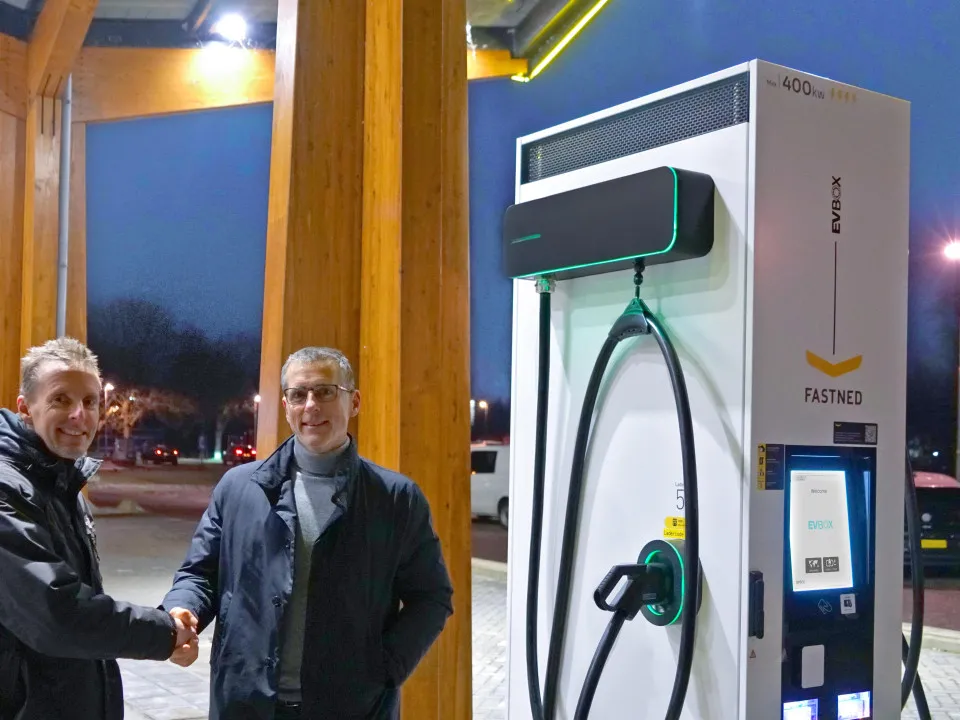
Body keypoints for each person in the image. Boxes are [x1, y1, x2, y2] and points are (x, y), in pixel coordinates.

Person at [163, 347, 454, 719]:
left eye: (326, 391)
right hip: (245, 702)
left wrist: (384, 668)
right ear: (285, 406)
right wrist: (183, 610)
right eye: (298, 394)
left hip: (351, 708)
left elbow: (431, 596)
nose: (311, 406)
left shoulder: (395, 499)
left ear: (355, 402)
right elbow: (199, 574)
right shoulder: (239, 488)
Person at [0, 337, 198, 720]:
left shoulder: (60, 481)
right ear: (26, 408)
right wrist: (164, 633)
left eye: (90, 402)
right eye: (61, 400)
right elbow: (57, 613)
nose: (80, 415)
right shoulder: (8, 487)